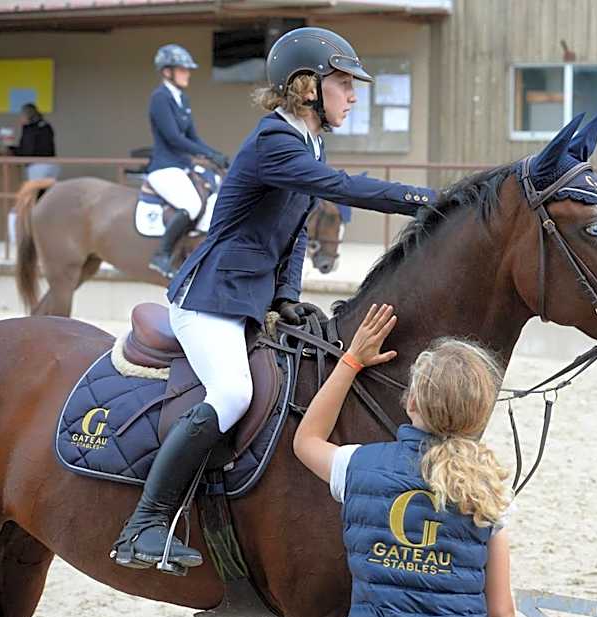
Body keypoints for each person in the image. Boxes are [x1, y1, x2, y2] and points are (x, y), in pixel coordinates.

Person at [110, 27, 436, 573]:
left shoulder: (309, 142)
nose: (353, 96)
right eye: (344, 84)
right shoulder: (274, 141)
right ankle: (143, 524)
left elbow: (296, 228)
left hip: (249, 297)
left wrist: (286, 297)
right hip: (209, 298)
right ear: (308, 86)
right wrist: (427, 200)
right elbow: (340, 188)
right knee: (233, 393)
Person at [293, 303, 516, 617]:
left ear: (411, 401)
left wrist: (351, 360)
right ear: (479, 415)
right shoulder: (488, 490)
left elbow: (306, 440)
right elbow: (501, 614)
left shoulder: (356, 465)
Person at [146, 43, 230, 278]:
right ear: (167, 72)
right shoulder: (160, 98)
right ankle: (161, 255)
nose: (188, 74)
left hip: (183, 166)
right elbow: (173, 138)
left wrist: (215, 154)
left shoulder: (182, 98)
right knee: (191, 205)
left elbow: (193, 137)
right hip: (164, 167)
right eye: (182, 70)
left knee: (214, 192)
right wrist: (207, 155)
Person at [10, 103, 59, 182]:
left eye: (22, 115)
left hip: (38, 166)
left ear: (28, 116)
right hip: (52, 165)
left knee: (34, 189)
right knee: (49, 189)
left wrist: (11, 150)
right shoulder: (45, 126)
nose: (20, 118)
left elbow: (27, 150)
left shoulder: (31, 129)